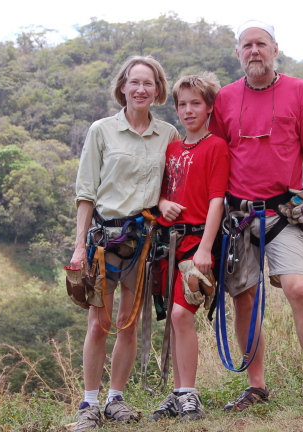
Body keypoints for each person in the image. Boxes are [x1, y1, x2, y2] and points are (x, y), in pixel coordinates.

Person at [208, 19, 303, 410]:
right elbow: (216, 153)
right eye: (247, 45)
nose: (254, 50)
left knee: (299, 288)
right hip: (238, 214)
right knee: (244, 298)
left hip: (283, 209)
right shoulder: (225, 98)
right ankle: (256, 387)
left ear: (274, 49)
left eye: (261, 44)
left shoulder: (298, 90)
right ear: (238, 54)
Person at [69, 55, 179, 431]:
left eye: (148, 83)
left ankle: (116, 398)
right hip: (103, 238)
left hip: (143, 241)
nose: (141, 89)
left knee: (128, 324)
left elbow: (174, 184)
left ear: (158, 89)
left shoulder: (168, 134)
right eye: (134, 82)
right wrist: (79, 244)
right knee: (98, 323)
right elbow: (86, 192)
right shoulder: (102, 130)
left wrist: (163, 201)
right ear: (123, 87)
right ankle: (89, 402)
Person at [150, 72, 230, 422]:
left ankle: (189, 393)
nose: (187, 110)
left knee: (183, 315)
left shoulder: (216, 147)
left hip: (198, 241)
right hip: (168, 242)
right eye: (182, 104)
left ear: (209, 106)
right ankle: (179, 392)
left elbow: (217, 200)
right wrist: (163, 203)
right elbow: (162, 192)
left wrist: (206, 249)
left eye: (195, 103)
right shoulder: (171, 148)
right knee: (173, 319)